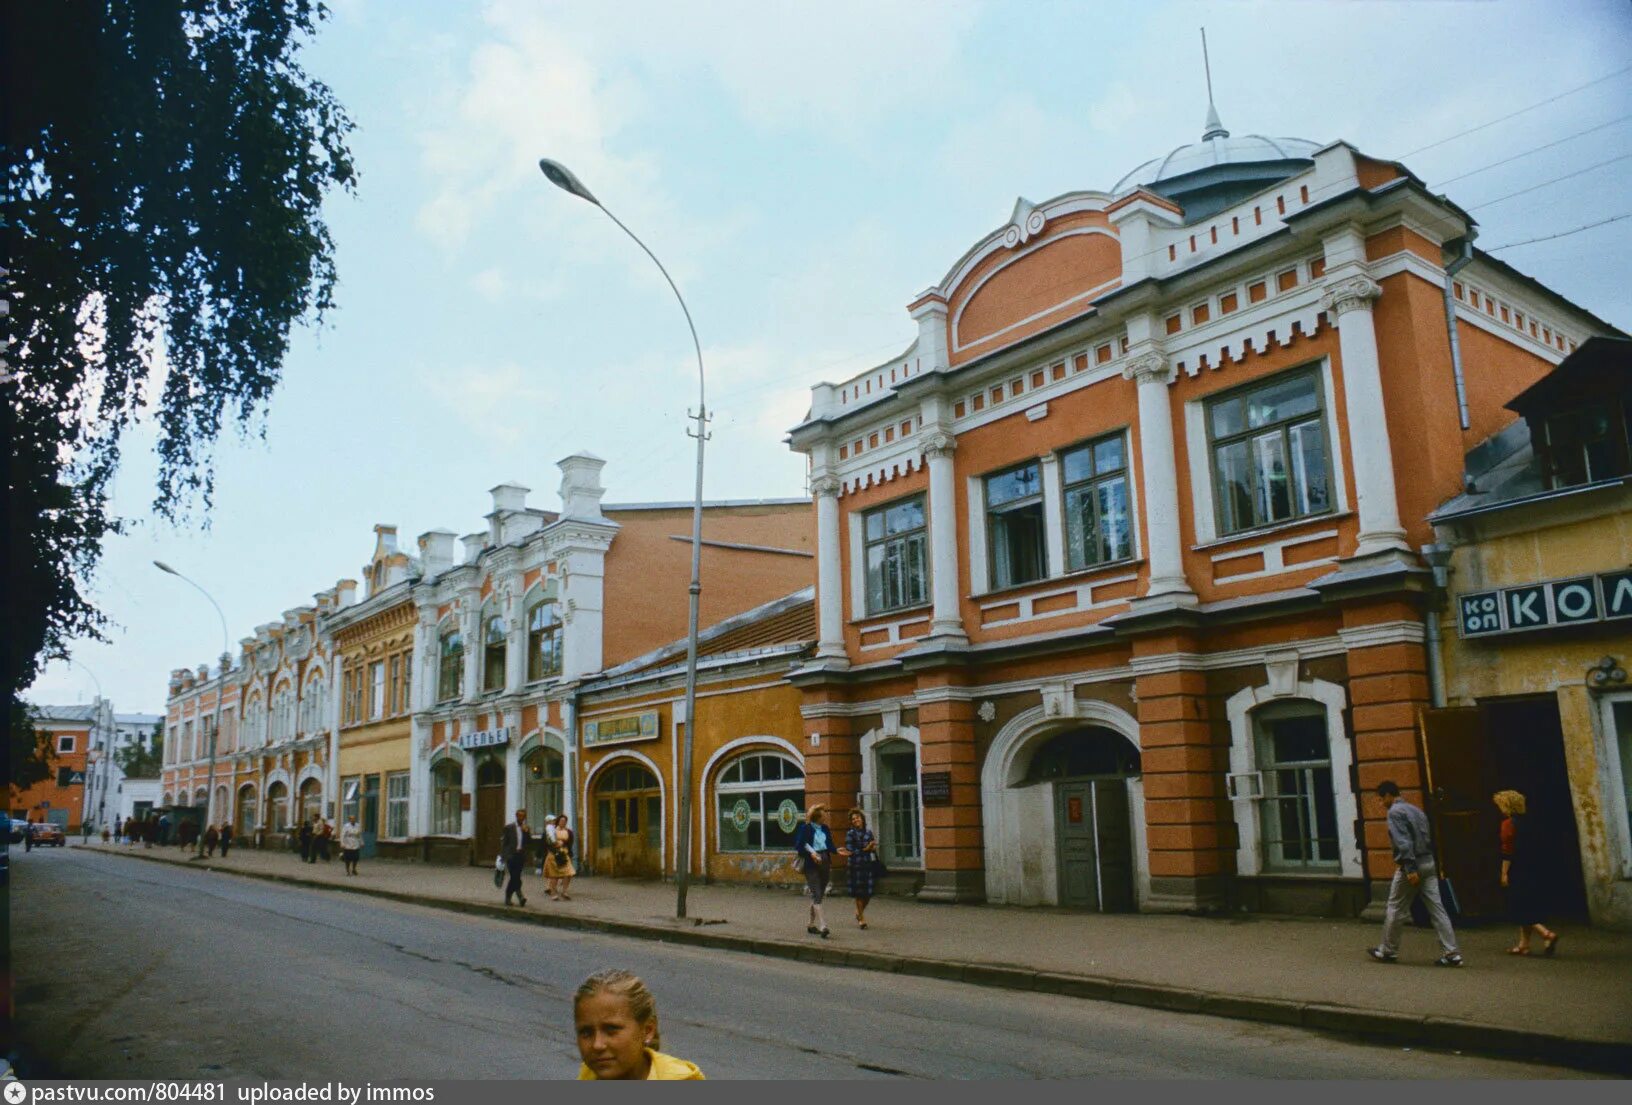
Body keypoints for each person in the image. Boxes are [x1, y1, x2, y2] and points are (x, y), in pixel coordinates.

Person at [1369, 780, 1462, 967]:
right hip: (1428, 862)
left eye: (1381, 799)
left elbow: (1403, 842)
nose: (1381, 803)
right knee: (1437, 909)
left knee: (1395, 906)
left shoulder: (1394, 813)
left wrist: (1410, 868)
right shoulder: (1417, 810)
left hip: (1411, 865)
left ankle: (1387, 950)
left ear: (1388, 795)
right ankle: (1452, 952)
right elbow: (1429, 836)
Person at [573, 969, 703, 1080]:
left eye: (611, 1030)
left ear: (647, 1030)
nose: (597, 1045)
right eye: (586, 1032)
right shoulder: (590, 1074)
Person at [1495, 789, 1560, 957]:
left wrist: (1504, 873)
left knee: (1520, 905)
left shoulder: (1508, 824)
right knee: (1529, 901)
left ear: (1506, 806)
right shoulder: (1532, 822)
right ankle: (1524, 945)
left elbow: (1507, 850)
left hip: (1518, 866)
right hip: (1535, 866)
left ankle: (1546, 933)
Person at [791, 804, 837, 938]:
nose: (826, 815)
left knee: (819, 894)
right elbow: (800, 845)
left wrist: (837, 850)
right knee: (816, 892)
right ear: (817, 816)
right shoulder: (806, 828)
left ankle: (811, 925)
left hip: (824, 860)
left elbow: (828, 844)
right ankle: (823, 926)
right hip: (811, 863)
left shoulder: (825, 828)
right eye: (824, 813)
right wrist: (811, 853)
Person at [837, 808, 879, 930]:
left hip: (867, 865)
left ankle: (858, 912)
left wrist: (872, 847)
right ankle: (861, 918)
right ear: (851, 822)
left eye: (858, 818)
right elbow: (850, 851)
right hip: (855, 866)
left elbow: (872, 849)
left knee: (869, 893)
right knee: (859, 893)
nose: (856, 820)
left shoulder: (868, 832)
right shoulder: (850, 833)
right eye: (853, 819)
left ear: (862, 819)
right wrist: (865, 849)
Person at [500, 809, 532, 907]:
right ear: (516, 816)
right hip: (511, 856)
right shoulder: (509, 828)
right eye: (519, 816)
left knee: (516, 877)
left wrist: (526, 832)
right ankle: (519, 896)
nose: (521, 818)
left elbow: (528, 843)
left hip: (520, 855)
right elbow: (504, 843)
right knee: (515, 877)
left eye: (523, 816)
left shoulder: (526, 828)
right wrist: (504, 856)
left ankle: (508, 898)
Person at [546, 814, 576, 900]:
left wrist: (565, 846)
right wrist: (555, 846)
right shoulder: (552, 830)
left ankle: (564, 891)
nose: (563, 822)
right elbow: (548, 842)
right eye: (561, 821)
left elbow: (570, 843)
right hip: (554, 854)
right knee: (554, 874)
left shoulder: (569, 831)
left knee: (569, 872)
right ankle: (553, 892)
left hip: (564, 853)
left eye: (565, 821)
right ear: (558, 821)